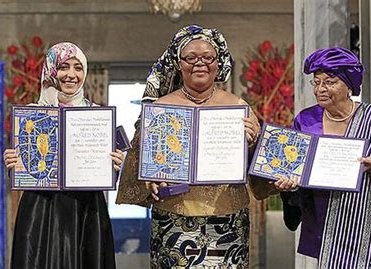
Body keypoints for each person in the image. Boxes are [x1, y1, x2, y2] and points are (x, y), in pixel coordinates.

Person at [116, 25, 276, 268]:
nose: (199, 63)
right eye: (190, 57)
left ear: (218, 63)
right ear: (179, 63)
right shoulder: (160, 108)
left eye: (208, 57)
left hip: (228, 222)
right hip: (173, 220)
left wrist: (254, 143)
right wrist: (150, 180)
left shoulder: (238, 107)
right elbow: (137, 167)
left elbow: (261, 171)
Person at [276, 47, 371, 268]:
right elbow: (293, 168)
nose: (320, 89)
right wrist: (290, 187)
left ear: (349, 85)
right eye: (316, 82)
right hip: (326, 228)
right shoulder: (306, 120)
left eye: (329, 81)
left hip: (370, 230)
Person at [3, 42, 124, 269]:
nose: (72, 74)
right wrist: (13, 163)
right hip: (41, 209)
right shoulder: (31, 116)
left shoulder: (97, 116)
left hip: (86, 210)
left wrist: (115, 165)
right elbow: (24, 169)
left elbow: (109, 172)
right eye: (64, 67)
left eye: (78, 68)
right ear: (51, 70)